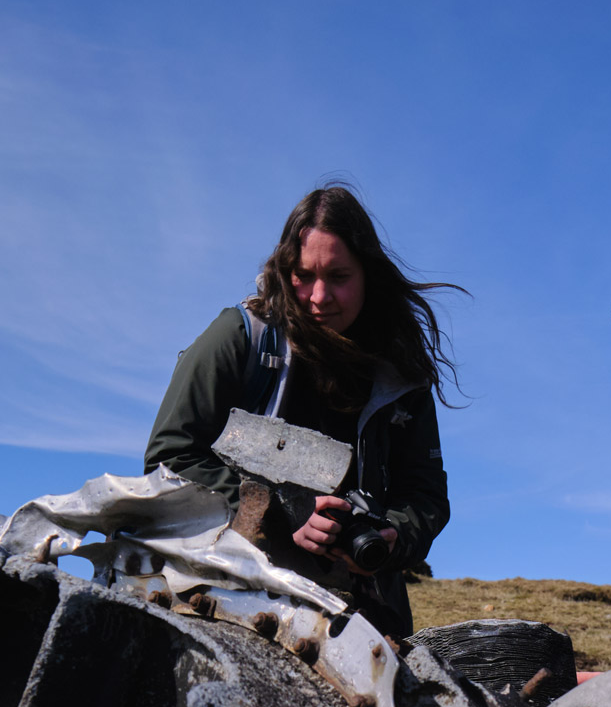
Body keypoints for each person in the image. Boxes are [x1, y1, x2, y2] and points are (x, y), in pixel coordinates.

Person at [144, 184, 459, 639]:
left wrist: (393, 536)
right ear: (283, 269)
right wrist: (282, 514)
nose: (318, 296)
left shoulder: (402, 377)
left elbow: (425, 495)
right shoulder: (240, 338)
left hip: (359, 617)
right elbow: (170, 457)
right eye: (303, 274)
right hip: (230, 600)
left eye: (338, 276)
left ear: (368, 274)